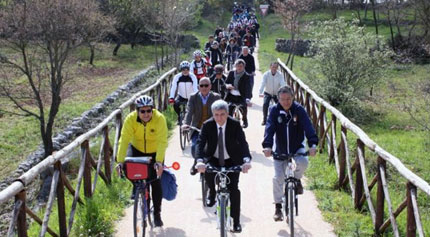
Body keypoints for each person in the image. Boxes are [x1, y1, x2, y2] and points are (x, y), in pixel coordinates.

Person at [262, 86, 318, 222]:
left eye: (288, 99)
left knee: (303, 162)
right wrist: (267, 146)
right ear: (278, 99)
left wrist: (312, 145)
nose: (286, 102)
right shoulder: (274, 110)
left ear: (293, 98)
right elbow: (269, 128)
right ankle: (278, 207)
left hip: (297, 146)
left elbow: (308, 127)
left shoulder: (299, 110)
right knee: (278, 178)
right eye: (282, 99)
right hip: (279, 149)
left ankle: (297, 179)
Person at [195, 100, 252, 233]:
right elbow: (200, 143)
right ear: (213, 114)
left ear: (227, 114)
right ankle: (212, 193)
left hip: (232, 160)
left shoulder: (235, 124)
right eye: (216, 115)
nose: (219, 118)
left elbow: (243, 143)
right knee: (208, 176)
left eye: (222, 114)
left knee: (234, 190)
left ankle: (236, 222)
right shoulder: (207, 125)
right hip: (213, 158)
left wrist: (246, 160)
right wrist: (199, 160)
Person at [116, 95, 168, 227]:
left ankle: (157, 214)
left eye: (149, 111)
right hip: (136, 148)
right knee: (128, 167)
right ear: (137, 111)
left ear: (152, 110)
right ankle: (137, 187)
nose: (146, 114)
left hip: (154, 151)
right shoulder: (130, 119)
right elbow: (123, 140)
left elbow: (162, 142)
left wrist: (159, 162)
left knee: (155, 182)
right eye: (142, 111)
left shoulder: (159, 119)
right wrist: (120, 162)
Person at [181, 77, 221, 175]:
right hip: (197, 128)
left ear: (210, 86)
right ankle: (196, 162)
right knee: (195, 146)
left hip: (212, 128)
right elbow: (189, 112)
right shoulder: (193, 97)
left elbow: (221, 111)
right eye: (201, 85)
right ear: (198, 87)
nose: (204, 87)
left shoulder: (216, 97)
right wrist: (186, 123)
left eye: (206, 85)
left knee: (216, 148)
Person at [224, 59, 251, 128]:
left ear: (244, 67)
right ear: (235, 66)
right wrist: (228, 86)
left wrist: (248, 99)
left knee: (244, 109)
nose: (239, 67)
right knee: (229, 109)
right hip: (231, 96)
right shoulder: (231, 73)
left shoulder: (246, 76)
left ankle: (245, 121)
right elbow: (225, 82)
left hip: (241, 96)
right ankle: (229, 123)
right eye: (238, 66)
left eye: (241, 66)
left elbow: (248, 88)